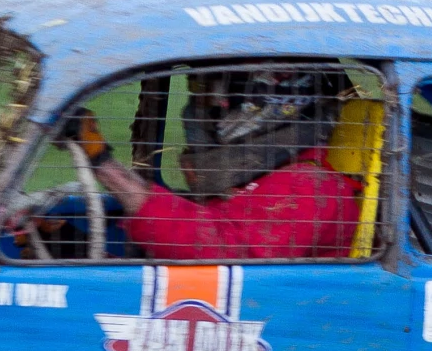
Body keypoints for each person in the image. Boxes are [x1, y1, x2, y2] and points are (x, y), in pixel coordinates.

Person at [67, 70, 363, 261]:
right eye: (199, 91)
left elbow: (218, 254)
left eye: (212, 93)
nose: (201, 107)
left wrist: (104, 164)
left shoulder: (311, 186)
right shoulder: (268, 175)